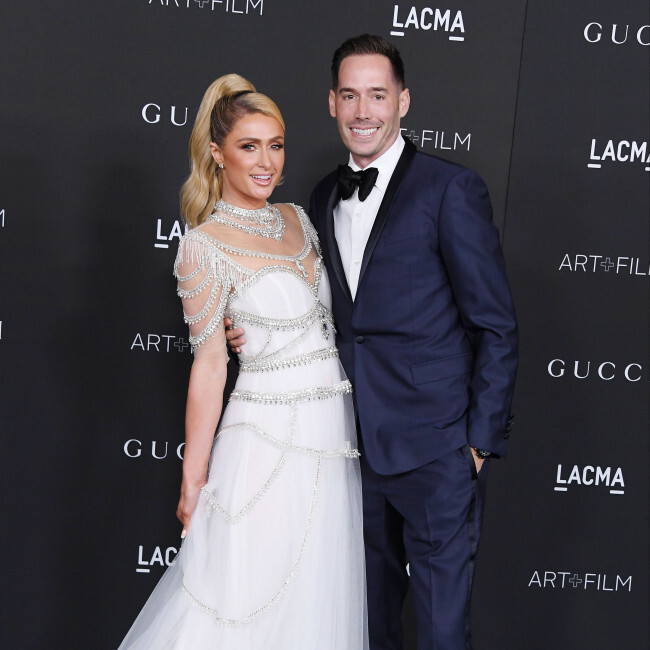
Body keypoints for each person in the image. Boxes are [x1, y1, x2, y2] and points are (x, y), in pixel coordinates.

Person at [227, 35, 518, 649]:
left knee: (442, 633)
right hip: (346, 450)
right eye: (351, 95)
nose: (363, 111)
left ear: (403, 102)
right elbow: (315, 307)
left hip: (437, 449)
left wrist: (477, 445)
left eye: (378, 96)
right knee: (363, 627)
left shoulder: (449, 189)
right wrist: (250, 323)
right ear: (332, 102)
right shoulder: (321, 197)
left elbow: (494, 324)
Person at [119, 74, 368, 649]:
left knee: (312, 606)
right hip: (262, 445)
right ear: (217, 152)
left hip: (330, 444)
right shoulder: (202, 245)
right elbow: (209, 366)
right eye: (248, 146)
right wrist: (193, 478)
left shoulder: (299, 218)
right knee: (243, 606)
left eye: (275, 145)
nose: (266, 162)